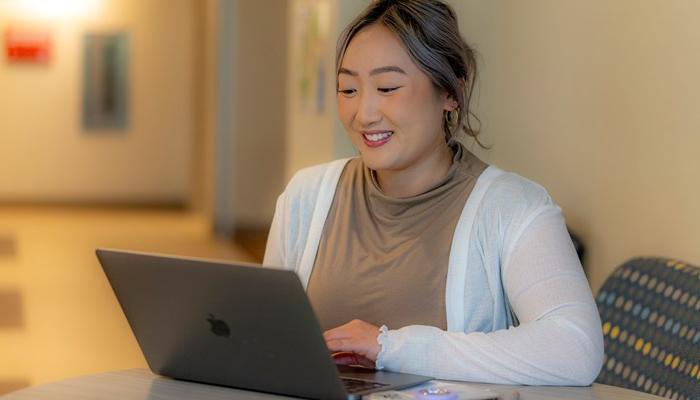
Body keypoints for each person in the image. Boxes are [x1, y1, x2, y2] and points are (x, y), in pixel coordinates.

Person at [264, 0, 603, 386]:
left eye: (387, 87)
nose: (364, 112)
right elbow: (266, 338)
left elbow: (575, 349)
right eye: (348, 89)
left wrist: (392, 348)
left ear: (450, 93)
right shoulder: (306, 196)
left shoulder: (513, 207)